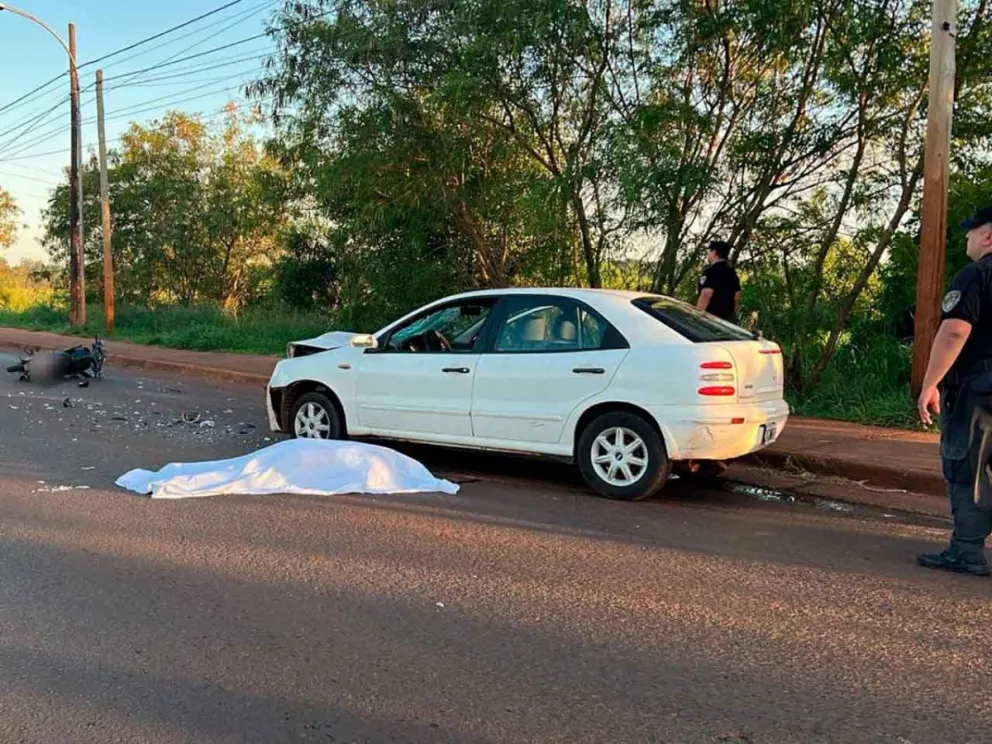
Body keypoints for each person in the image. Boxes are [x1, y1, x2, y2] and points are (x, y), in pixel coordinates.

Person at [917, 203, 992, 577]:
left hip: (979, 393)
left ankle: (967, 551)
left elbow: (955, 331)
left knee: (968, 467)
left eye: (971, 231)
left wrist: (930, 383)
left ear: (988, 236)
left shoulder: (975, 275)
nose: (967, 238)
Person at [696, 240, 741, 322]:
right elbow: (736, 297)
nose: (708, 254)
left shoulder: (711, 271)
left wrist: (697, 316)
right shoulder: (732, 273)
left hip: (710, 317)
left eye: (709, 251)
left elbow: (706, 294)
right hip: (726, 319)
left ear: (714, 252)